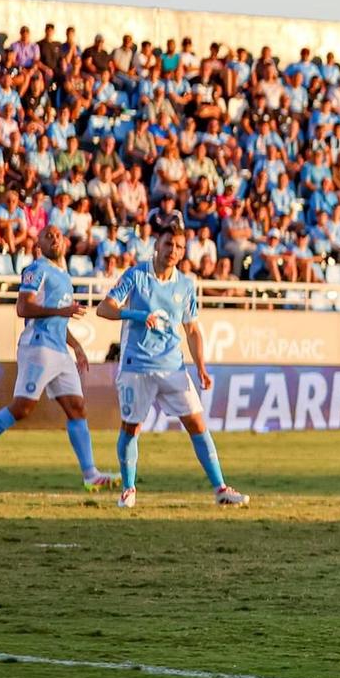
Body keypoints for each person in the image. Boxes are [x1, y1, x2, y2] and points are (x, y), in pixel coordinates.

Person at [95, 211, 248, 508]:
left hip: (172, 367)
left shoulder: (186, 285)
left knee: (198, 424)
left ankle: (220, 489)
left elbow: (192, 330)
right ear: (157, 244)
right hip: (136, 366)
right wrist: (137, 315)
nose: (173, 251)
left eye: (179, 246)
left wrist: (201, 367)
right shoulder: (137, 275)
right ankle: (128, 489)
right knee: (131, 428)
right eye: (168, 244)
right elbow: (105, 308)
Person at [0, 227, 116, 491]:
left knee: (77, 408)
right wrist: (62, 310)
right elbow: (23, 307)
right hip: (38, 346)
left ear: (65, 242)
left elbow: (59, 321)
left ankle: (90, 474)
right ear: (39, 244)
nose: (55, 238)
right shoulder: (36, 269)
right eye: (48, 235)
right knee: (22, 408)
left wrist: (76, 346)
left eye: (58, 235)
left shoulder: (64, 276)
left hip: (60, 350)